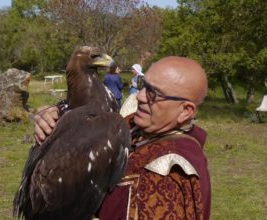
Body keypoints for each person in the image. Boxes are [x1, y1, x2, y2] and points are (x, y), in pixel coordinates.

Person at [33, 56, 211, 220]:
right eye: (144, 85)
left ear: (185, 111)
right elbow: (89, 124)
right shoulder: (135, 125)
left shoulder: (168, 177)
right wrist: (52, 114)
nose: (139, 96)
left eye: (153, 93)